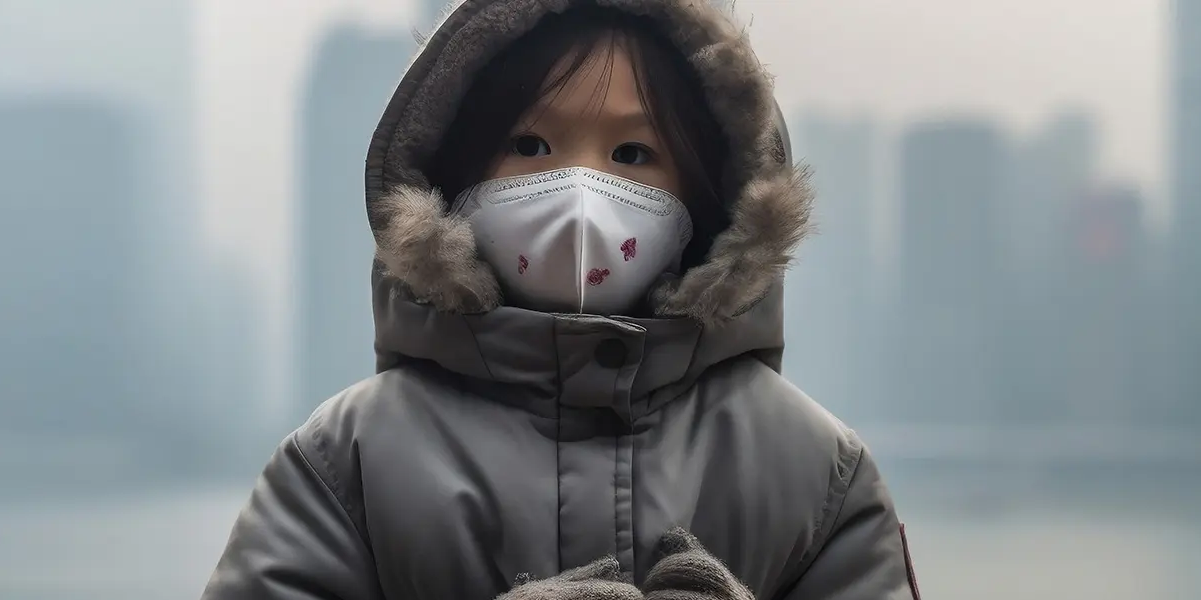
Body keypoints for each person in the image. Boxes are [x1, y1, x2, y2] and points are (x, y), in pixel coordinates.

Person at [201, 1, 920, 599]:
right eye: (532, 144)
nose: (580, 193)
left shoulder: (815, 470)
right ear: (452, 175)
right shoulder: (346, 462)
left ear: (710, 195)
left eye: (633, 155)